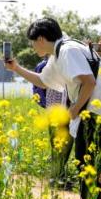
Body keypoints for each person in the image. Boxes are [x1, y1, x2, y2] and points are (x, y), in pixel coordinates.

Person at [6, 18, 101, 199]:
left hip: (98, 113)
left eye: (32, 41)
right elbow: (43, 81)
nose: (32, 46)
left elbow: (89, 82)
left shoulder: (67, 51)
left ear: (41, 39)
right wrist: (16, 68)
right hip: (91, 112)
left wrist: (75, 108)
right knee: (85, 162)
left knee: (87, 163)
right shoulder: (58, 54)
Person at [33, 58, 73, 189]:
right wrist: (48, 107)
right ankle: (56, 179)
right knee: (58, 146)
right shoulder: (44, 66)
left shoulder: (67, 64)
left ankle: (58, 177)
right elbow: (38, 90)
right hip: (55, 111)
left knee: (65, 146)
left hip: (68, 111)